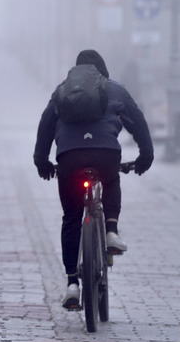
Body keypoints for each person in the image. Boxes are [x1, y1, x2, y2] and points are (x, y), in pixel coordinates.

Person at [33, 49, 154, 310]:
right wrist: (146, 155)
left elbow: (45, 126)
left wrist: (42, 162)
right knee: (110, 180)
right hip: (105, 155)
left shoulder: (62, 90)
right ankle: (110, 231)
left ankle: (72, 284)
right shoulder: (115, 89)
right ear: (102, 70)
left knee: (71, 218)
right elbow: (138, 122)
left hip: (69, 159)